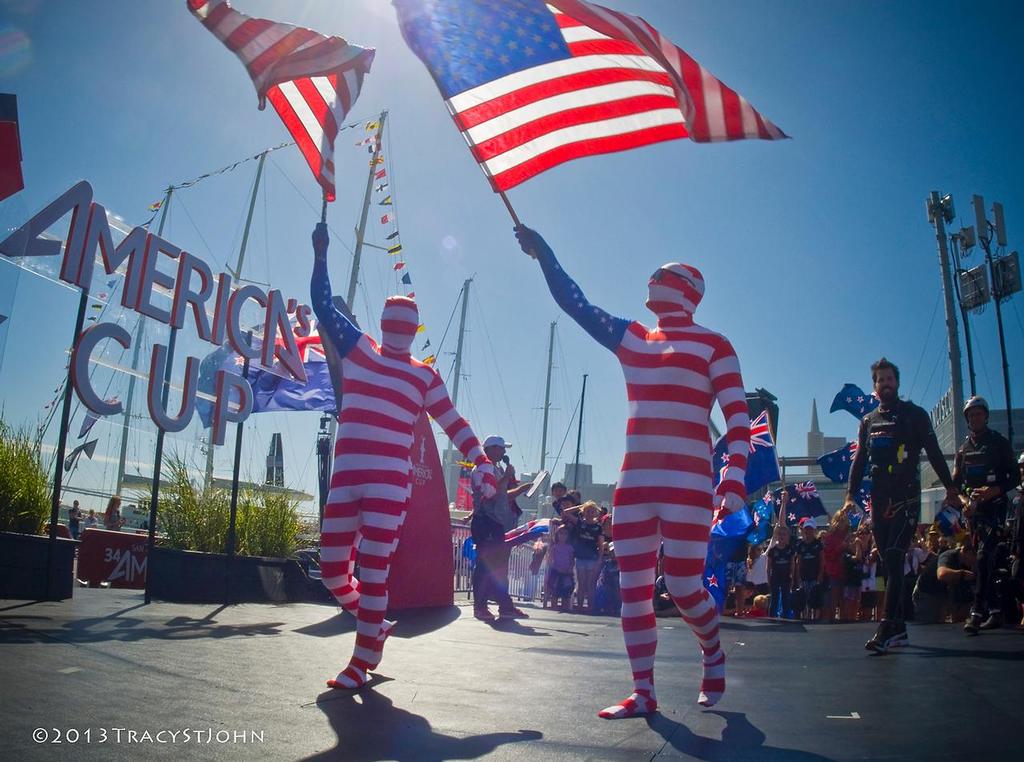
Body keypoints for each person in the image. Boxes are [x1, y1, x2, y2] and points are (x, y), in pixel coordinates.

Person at [517, 227, 750, 718]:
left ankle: (712, 650)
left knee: (686, 587)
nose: (651, 280)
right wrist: (545, 253)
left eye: (661, 275)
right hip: (636, 485)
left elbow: (738, 419)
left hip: (688, 485)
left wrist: (733, 479)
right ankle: (644, 692)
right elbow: (575, 303)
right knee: (634, 590)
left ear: (687, 289)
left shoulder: (715, 345)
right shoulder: (634, 337)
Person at [309, 222, 497, 689]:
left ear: (411, 330)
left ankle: (362, 657)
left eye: (405, 323)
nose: (400, 328)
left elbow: (453, 421)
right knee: (334, 572)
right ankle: (375, 627)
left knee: (373, 572)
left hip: (388, 485)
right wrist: (319, 254)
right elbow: (322, 304)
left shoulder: (420, 375)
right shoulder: (361, 351)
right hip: (349, 476)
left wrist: (483, 462)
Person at [846, 357, 959, 653]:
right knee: (888, 563)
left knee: (896, 557)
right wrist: (849, 495)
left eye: (889, 379)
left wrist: (950, 488)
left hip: (906, 499)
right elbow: (859, 462)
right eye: (880, 380)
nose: (885, 384)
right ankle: (899, 628)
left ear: (897, 383)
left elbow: (934, 451)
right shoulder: (868, 422)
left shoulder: (915, 415)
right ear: (875, 387)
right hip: (878, 501)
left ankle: (886, 626)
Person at [952, 396, 1018, 633]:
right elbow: (955, 485)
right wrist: (965, 502)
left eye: (979, 414)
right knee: (983, 561)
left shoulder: (999, 443)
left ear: (986, 416)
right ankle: (996, 611)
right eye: (971, 415)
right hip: (974, 513)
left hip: (997, 508)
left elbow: (1015, 477)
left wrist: (994, 491)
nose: (975, 418)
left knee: (982, 557)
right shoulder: (962, 450)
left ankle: (976, 611)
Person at [470, 435, 532, 621]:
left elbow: (501, 494)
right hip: (485, 521)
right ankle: (480, 606)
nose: (504, 452)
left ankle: (505, 606)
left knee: (499, 567)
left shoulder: (495, 469)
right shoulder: (481, 468)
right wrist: (506, 477)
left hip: (496, 522)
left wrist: (517, 488)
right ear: (491, 449)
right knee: (485, 565)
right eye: (501, 448)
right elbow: (490, 493)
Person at [912, 539, 977, 624]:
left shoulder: (967, 564)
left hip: (942, 594)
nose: (974, 559)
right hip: (926, 593)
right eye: (973, 555)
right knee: (929, 626)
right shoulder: (949, 556)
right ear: (965, 551)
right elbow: (942, 574)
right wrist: (962, 574)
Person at [564, 500, 604, 613]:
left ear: (596, 512)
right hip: (580, 558)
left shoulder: (598, 527)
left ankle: (590, 607)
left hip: (592, 559)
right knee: (581, 584)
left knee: (590, 584)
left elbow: (601, 545)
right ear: (584, 512)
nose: (590, 513)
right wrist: (581, 506)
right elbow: (566, 512)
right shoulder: (580, 523)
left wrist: (599, 560)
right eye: (587, 511)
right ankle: (580, 607)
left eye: (592, 511)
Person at [822, 507, 852, 622]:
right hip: (833, 572)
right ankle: (832, 621)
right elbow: (828, 555)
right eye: (839, 520)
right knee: (833, 600)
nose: (841, 523)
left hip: (847, 572)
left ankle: (845, 621)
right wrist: (842, 547)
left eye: (844, 520)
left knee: (846, 600)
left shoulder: (848, 535)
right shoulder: (830, 537)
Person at [794, 520, 824, 620]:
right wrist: (798, 577)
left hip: (815, 576)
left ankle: (815, 618)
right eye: (806, 529)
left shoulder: (818, 544)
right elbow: (798, 562)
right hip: (804, 576)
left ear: (813, 530)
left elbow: (821, 560)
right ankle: (805, 617)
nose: (808, 531)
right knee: (804, 597)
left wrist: (820, 574)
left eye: (810, 529)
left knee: (815, 597)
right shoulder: (800, 545)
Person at [766, 525, 795, 618]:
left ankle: (786, 618)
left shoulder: (790, 549)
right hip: (775, 577)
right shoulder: (772, 550)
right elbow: (768, 566)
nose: (782, 536)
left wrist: (792, 577)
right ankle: (772, 619)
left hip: (786, 577)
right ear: (776, 536)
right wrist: (768, 578)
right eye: (780, 534)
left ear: (787, 536)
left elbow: (792, 565)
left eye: (784, 534)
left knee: (786, 598)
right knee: (774, 598)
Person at [546, 525, 575, 611]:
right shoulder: (554, 547)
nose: (563, 536)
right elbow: (550, 560)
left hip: (567, 572)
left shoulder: (570, 548)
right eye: (561, 533)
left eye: (565, 534)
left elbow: (572, 560)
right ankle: (553, 607)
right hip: (556, 571)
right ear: (557, 535)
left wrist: (570, 568)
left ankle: (565, 608)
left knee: (566, 590)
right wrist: (556, 568)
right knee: (555, 590)